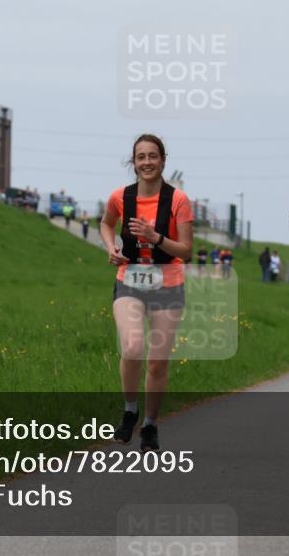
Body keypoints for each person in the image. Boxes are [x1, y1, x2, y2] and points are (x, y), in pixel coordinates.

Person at [99, 134, 193, 451]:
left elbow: (187, 250)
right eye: (141, 157)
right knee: (132, 345)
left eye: (153, 156)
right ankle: (130, 411)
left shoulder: (178, 200)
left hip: (168, 282)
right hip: (130, 279)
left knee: (157, 362)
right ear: (134, 162)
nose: (147, 162)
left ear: (163, 160)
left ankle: (150, 425)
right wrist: (110, 246)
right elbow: (106, 224)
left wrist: (156, 238)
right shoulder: (120, 197)